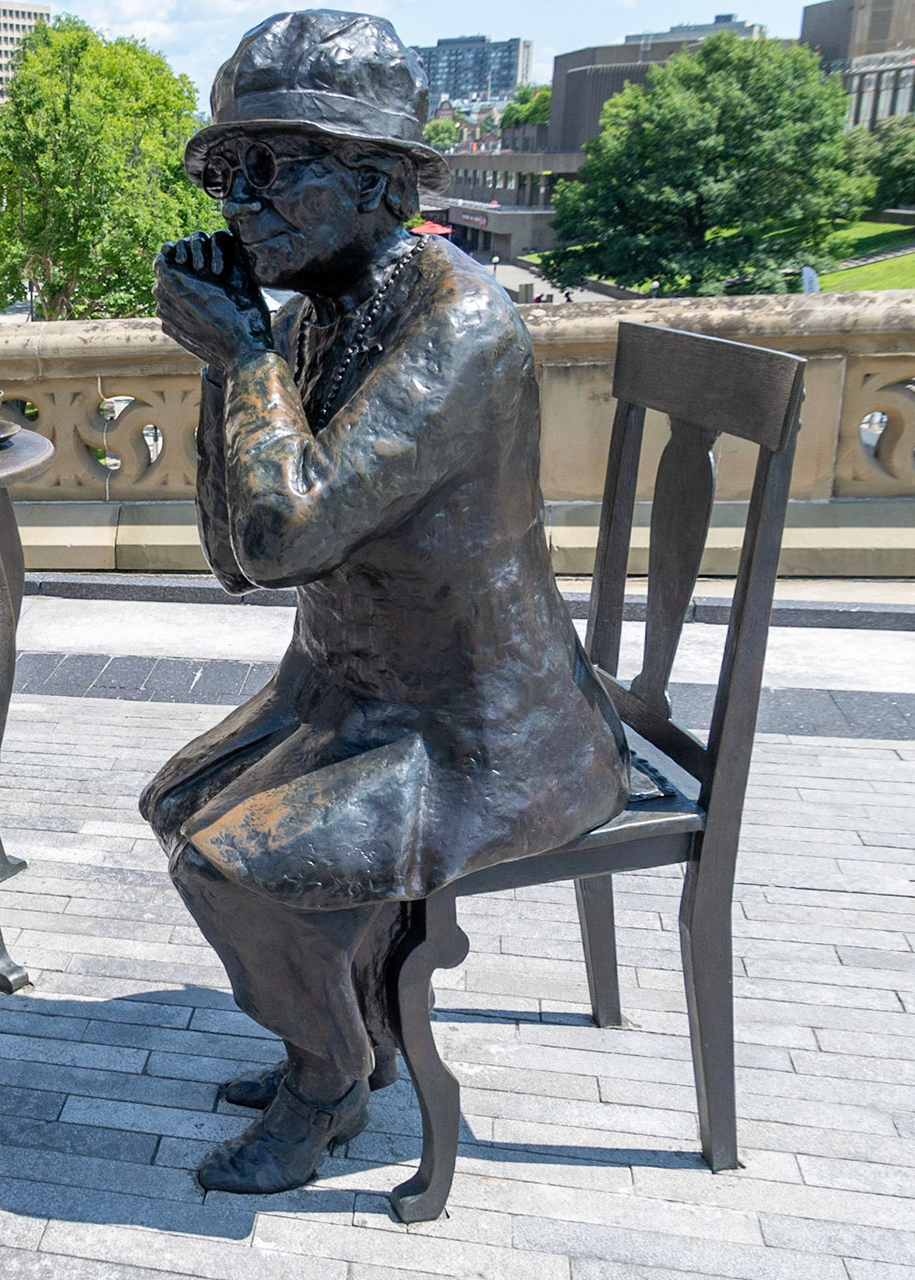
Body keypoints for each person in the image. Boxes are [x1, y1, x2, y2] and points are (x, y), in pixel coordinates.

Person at [143, 11, 628, 1194]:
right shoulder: (315, 318)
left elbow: (283, 533)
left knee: (226, 866)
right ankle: (353, 1015)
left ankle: (328, 1080)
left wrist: (241, 360)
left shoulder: (460, 327)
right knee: (179, 801)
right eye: (225, 171)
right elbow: (237, 557)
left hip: (480, 731)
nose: (238, 203)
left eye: (272, 166)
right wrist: (231, 364)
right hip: (349, 689)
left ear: (376, 182)